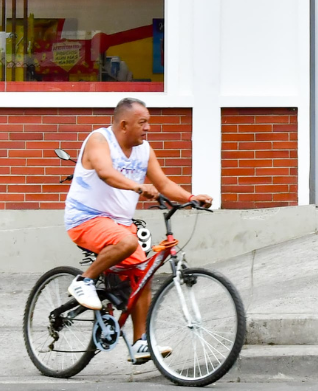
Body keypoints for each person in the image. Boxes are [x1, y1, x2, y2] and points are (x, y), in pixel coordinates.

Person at [63, 97, 212, 364]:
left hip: (119, 224)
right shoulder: (99, 140)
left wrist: (190, 198)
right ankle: (83, 281)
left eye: (148, 122)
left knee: (141, 276)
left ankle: (140, 343)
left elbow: (164, 184)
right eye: (143, 122)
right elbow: (105, 172)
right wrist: (137, 187)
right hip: (86, 218)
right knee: (129, 242)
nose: (148, 128)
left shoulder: (144, 150)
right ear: (124, 124)